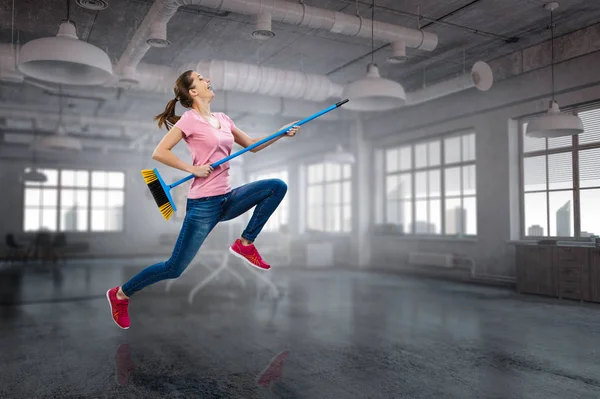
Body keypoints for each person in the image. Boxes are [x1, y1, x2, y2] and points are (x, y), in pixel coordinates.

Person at [106, 70, 300, 329]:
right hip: (203, 205)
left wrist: (280, 133)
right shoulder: (189, 120)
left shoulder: (223, 118)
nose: (208, 79)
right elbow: (159, 152)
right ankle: (120, 294)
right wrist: (193, 169)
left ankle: (245, 243)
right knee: (174, 268)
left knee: (277, 186)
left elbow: (253, 145)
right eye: (200, 78)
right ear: (193, 91)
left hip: (227, 198)